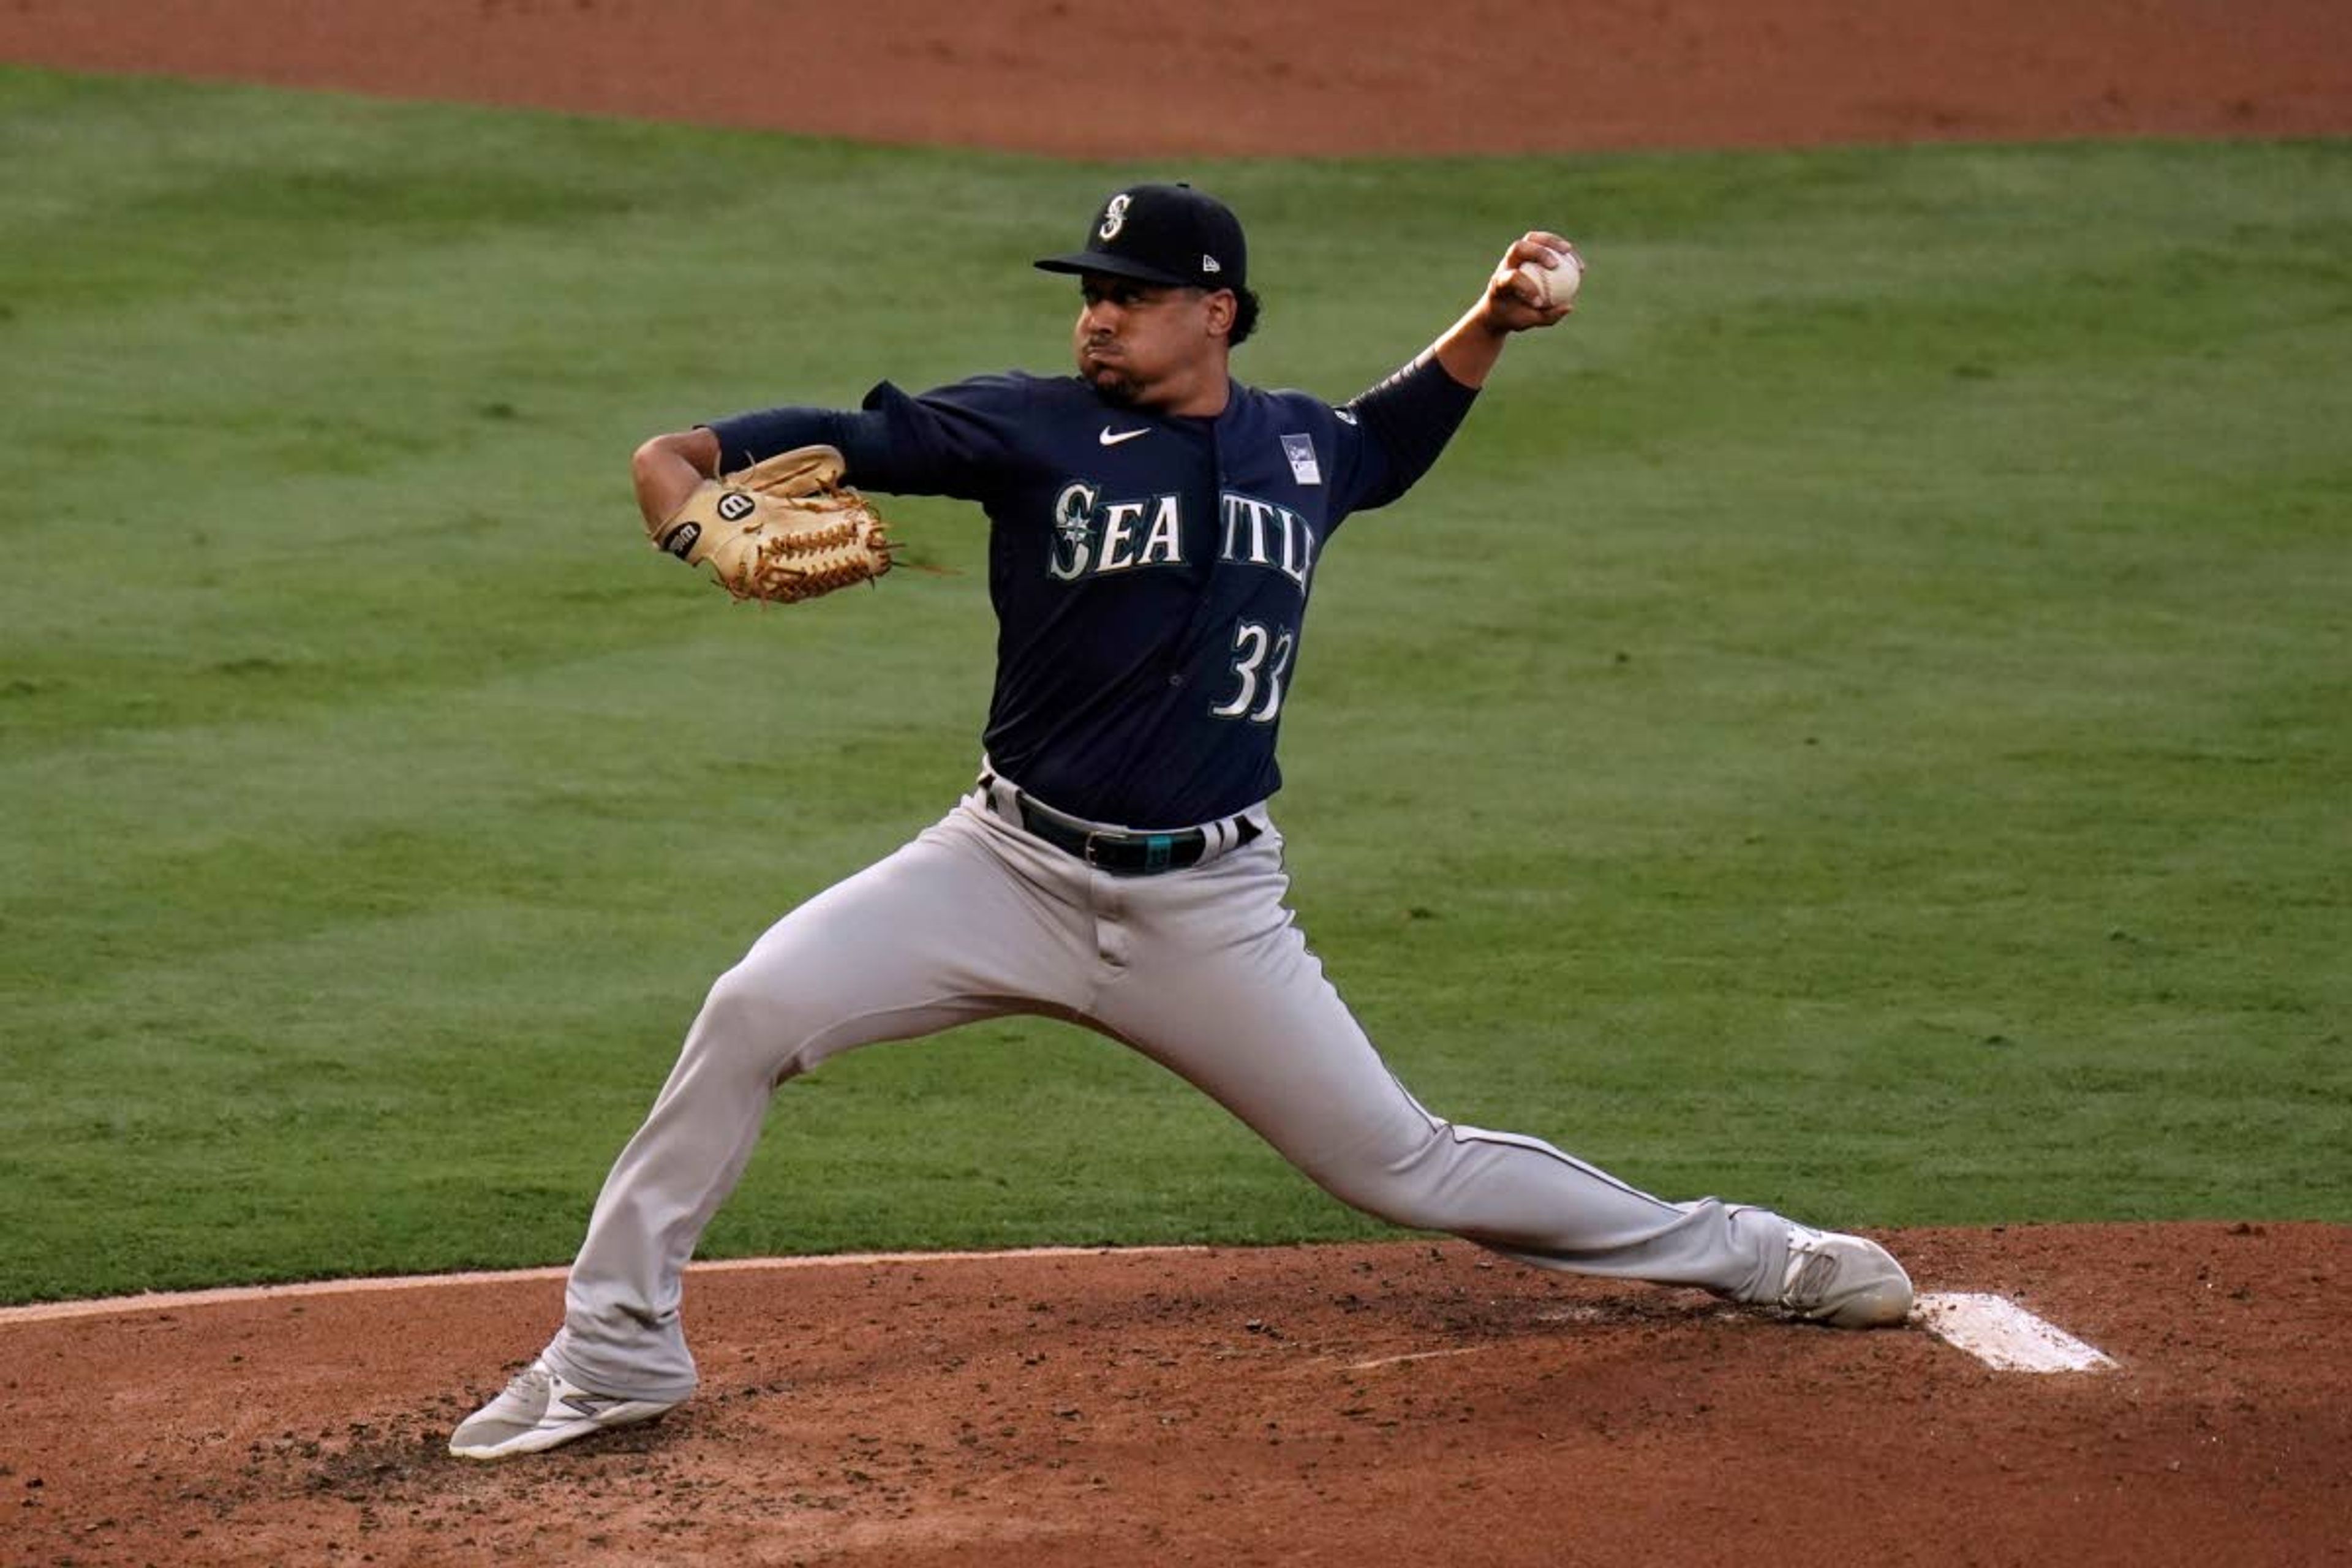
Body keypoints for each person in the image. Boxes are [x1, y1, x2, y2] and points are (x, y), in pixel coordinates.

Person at [450, 183, 1912, 1461]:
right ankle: (618, 1348)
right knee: (753, 1005)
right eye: (1092, 295)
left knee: (1403, 1164)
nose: (1099, 319)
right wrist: (675, 473)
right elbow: (813, 437)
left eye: (1132, 296)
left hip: (1209, 911)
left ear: (1217, 311)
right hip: (1001, 864)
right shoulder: (1028, 427)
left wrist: (1489, 320)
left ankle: (1754, 1252)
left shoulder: (1299, 448)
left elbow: (1388, 439)